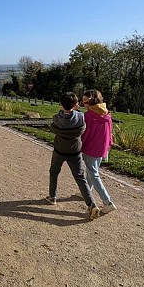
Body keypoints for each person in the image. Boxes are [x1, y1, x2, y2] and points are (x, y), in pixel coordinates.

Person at [46, 92, 100, 220]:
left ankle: (52, 196)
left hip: (59, 150)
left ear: (60, 105)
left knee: (54, 172)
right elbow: (83, 129)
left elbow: (53, 128)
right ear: (76, 105)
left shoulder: (56, 118)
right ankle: (92, 205)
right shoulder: (81, 117)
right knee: (80, 177)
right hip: (75, 152)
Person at [81, 89, 117, 214]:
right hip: (102, 147)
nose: (83, 103)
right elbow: (110, 130)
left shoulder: (88, 116)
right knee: (92, 171)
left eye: (85, 101)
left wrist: (80, 145)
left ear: (91, 102)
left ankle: (107, 202)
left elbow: (85, 134)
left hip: (90, 148)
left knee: (93, 174)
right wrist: (109, 144)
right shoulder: (106, 113)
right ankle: (87, 192)